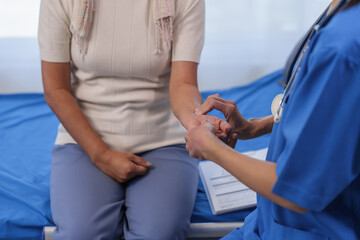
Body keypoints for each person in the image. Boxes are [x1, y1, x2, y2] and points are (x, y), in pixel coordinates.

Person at [38, 0, 231, 239]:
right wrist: (102, 155)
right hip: (84, 140)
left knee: (159, 234)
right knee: (81, 234)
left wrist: (195, 121)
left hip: (163, 138)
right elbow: (56, 89)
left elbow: (184, 84)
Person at [185, 0, 360, 239]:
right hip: (268, 220)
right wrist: (256, 126)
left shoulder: (342, 45)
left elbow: (296, 190)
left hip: (308, 229)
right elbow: (339, 116)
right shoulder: (341, 13)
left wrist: (210, 148)